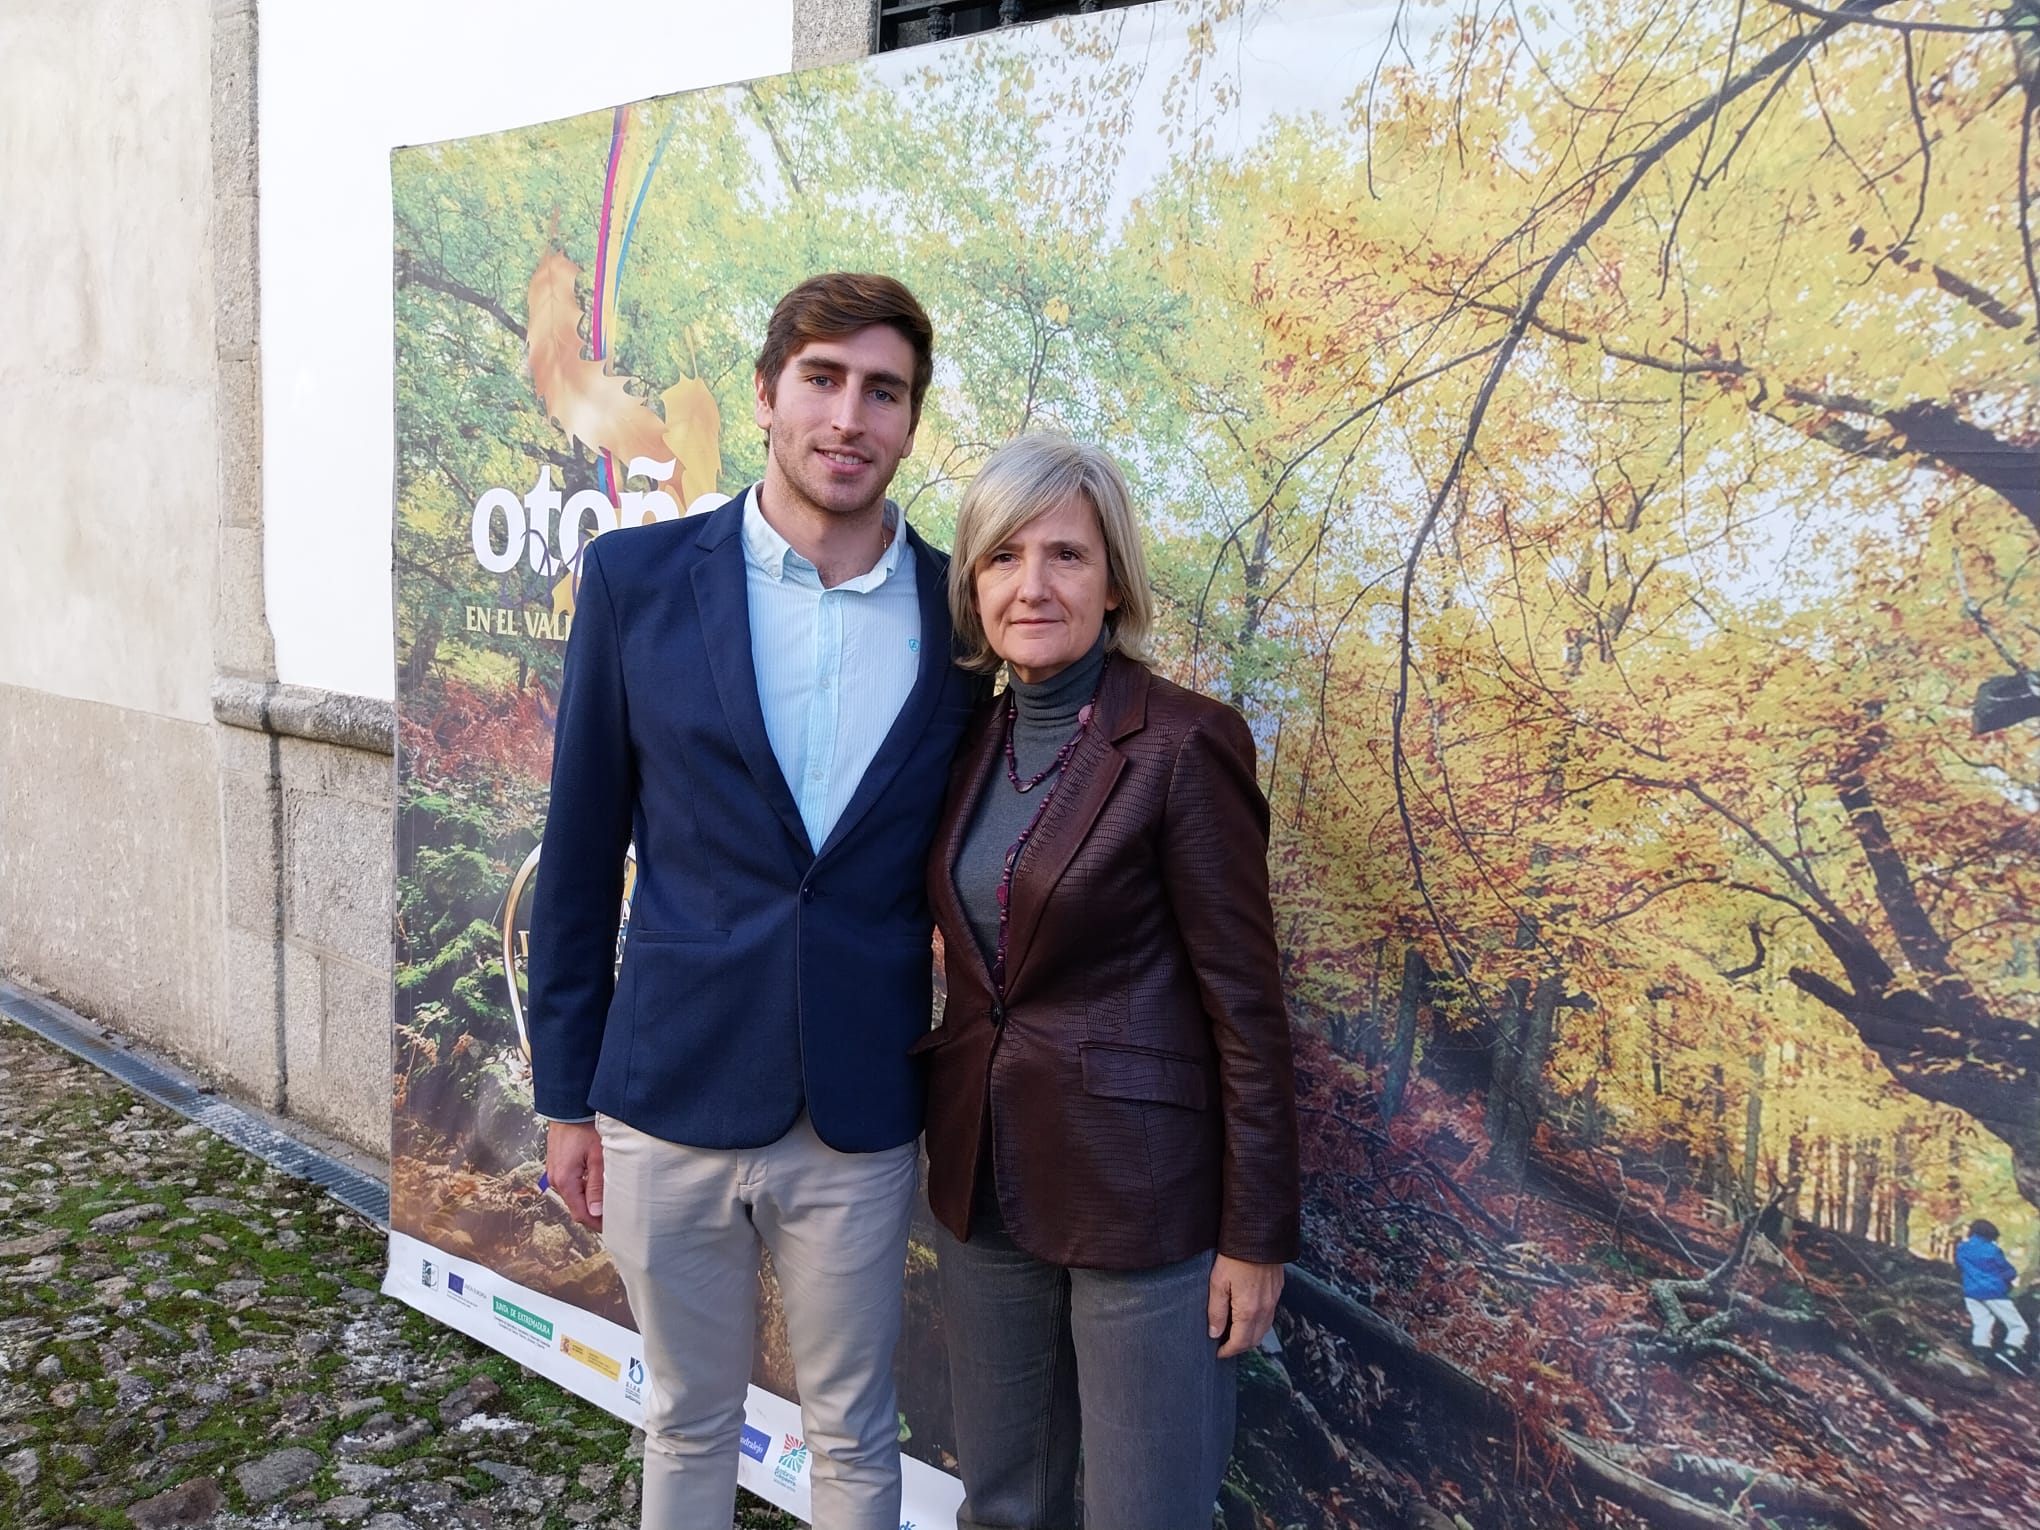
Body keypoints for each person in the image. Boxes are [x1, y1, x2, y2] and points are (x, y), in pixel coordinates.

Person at [527, 273, 983, 1530]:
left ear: (909, 419)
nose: (850, 416)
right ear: (773, 388)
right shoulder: (636, 582)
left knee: (853, 1434)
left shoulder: (964, 617)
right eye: (825, 379)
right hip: (667, 1090)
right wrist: (566, 1096)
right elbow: (577, 859)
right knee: (684, 1419)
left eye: (882, 391)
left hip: (861, 1107)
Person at [913, 433, 1301, 1529]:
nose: (1031, 584)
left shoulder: (1185, 745)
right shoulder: (968, 743)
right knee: (1003, 1505)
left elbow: (1248, 1010)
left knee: (1145, 1513)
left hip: (1146, 1205)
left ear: (1115, 578)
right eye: (1002, 557)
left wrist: (1256, 1232)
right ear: (973, 583)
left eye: (1066, 556)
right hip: (985, 1189)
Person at [1956, 1217, 2030, 1375]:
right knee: (2018, 1326)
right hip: (1993, 1292)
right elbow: (2010, 1271)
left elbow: (1961, 1265)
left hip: (1971, 1292)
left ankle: (1980, 1354)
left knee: (1982, 1323)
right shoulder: (1992, 1250)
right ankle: (2009, 1353)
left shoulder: (1962, 1248)